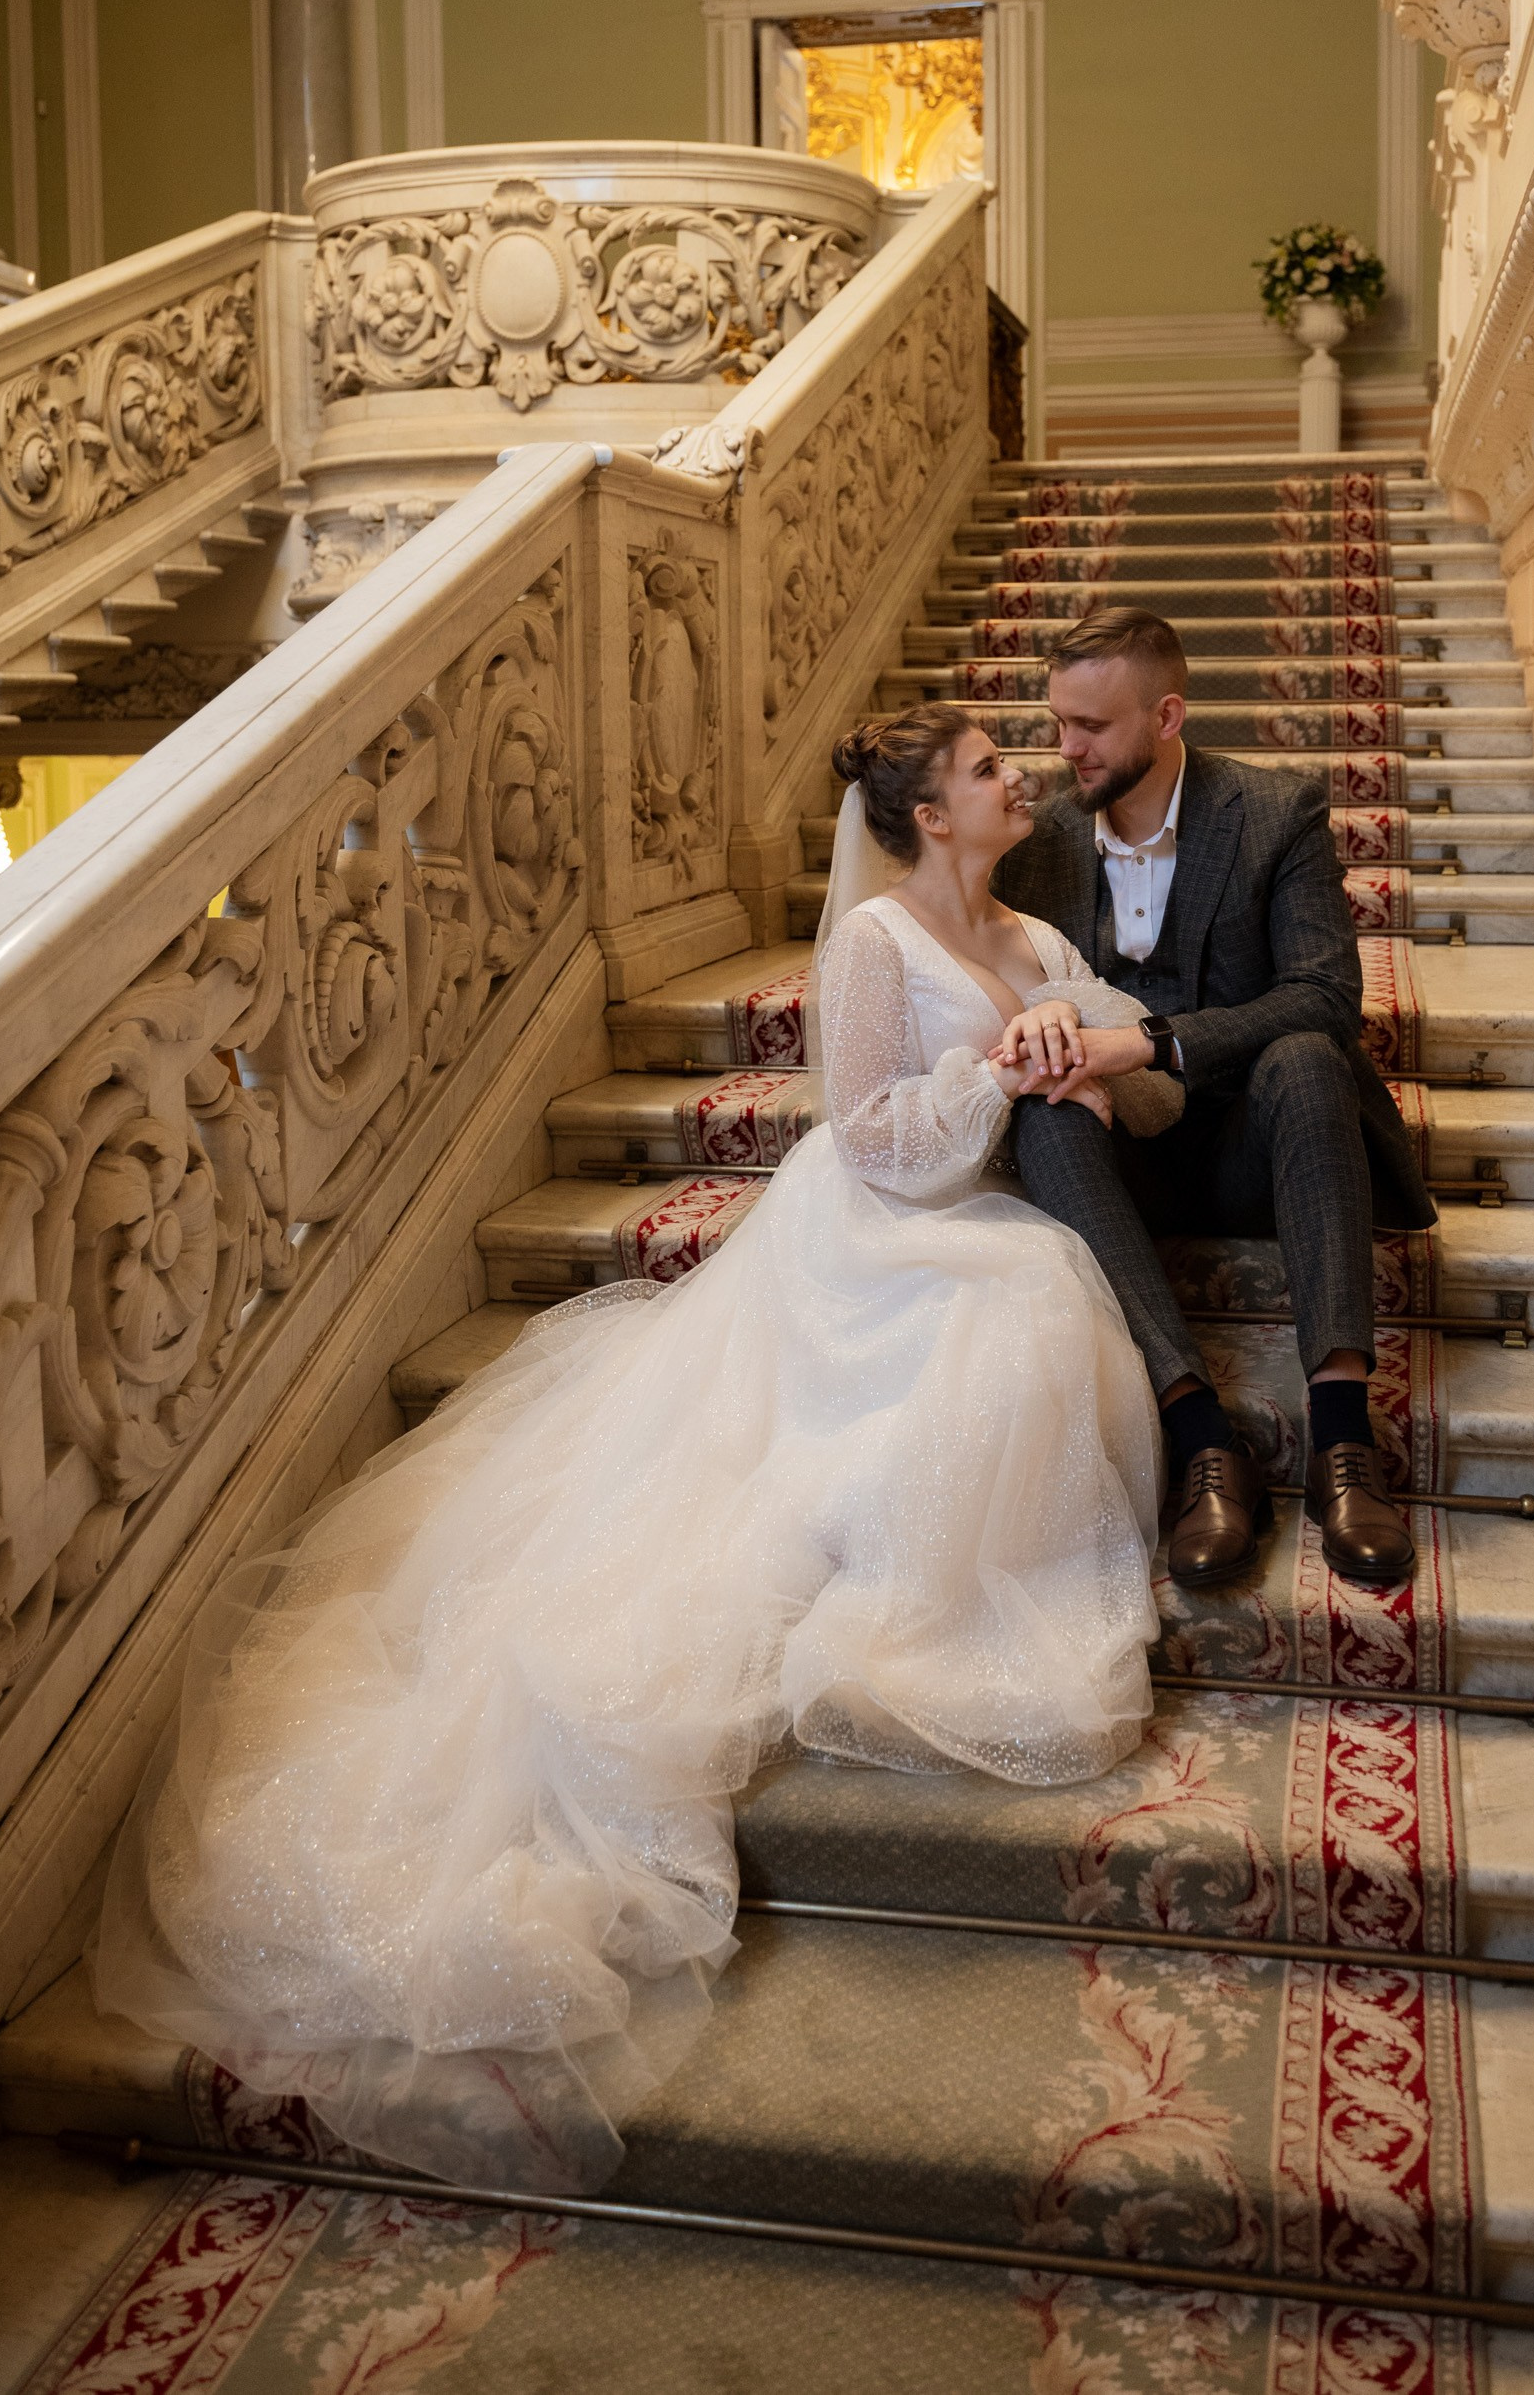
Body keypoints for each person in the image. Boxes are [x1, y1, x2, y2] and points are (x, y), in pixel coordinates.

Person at [93, 704, 1183, 2197]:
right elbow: (872, 1134)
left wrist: (1088, 1053)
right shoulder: (875, 943)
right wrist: (998, 1075)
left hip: (982, 1211)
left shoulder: (1039, 939)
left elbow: (1137, 1083)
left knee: (1033, 1295)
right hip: (875, 1230)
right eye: (992, 769)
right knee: (1014, 1311)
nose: (1022, 781)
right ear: (931, 814)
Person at [994, 605, 1437, 1592]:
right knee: (1044, 1109)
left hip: (1258, 1147)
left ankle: (1341, 1439)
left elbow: (1325, 995)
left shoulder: (1273, 811)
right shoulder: (1041, 840)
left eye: (1091, 725)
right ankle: (1200, 1436)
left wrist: (1147, 1041)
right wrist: (1056, 1041)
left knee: (1307, 1054)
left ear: (1166, 716)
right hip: (1123, 1162)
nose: (1065, 747)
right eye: (1058, 720)